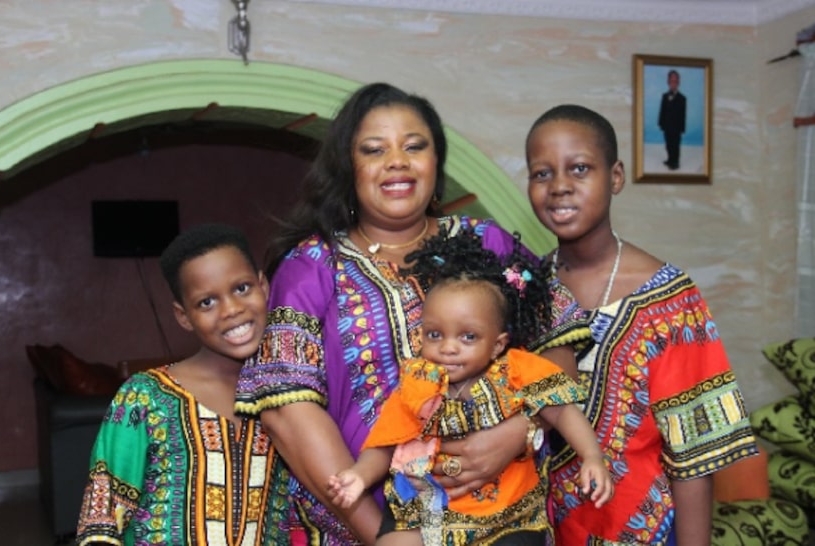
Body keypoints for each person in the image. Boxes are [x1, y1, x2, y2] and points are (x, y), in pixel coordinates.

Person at [234, 82, 590, 545]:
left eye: (414, 146)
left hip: (506, 516)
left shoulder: (490, 244)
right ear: (349, 168)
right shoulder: (310, 268)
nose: (397, 161)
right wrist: (382, 533)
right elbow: (289, 417)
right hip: (372, 526)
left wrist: (516, 434)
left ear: (436, 161)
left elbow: (555, 347)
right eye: (374, 149)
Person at [524, 104, 759, 546]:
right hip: (539, 529)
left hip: (643, 532)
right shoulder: (526, 291)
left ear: (615, 177)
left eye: (579, 169)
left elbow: (693, 453)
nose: (559, 187)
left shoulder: (670, 299)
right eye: (541, 173)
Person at [327, 227, 613, 546]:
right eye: (435, 335)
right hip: (425, 507)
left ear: (497, 344)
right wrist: (359, 476)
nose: (449, 348)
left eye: (468, 337)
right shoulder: (417, 384)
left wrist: (591, 456)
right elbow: (384, 443)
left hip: (505, 512)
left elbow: (563, 413)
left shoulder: (517, 370)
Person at [75, 223, 291, 546]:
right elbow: (101, 522)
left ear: (263, 286)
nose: (231, 310)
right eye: (206, 302)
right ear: (183, 316)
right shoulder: (144, 397)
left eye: (242, 288)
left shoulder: (291, 391)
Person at [658, 69, 686, 170]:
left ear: (678, 83)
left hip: (677, 128)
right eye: (671, 81)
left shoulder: (682, 98)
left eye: (675, 81)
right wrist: (661, 123)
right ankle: (670, 159)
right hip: (667, 126)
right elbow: (662, 111)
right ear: (668, 82)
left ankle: (675, 162)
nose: (673, 83)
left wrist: (682, 128)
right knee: (668, 144)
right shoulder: (665, 96)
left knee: (675, 145)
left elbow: (683, 115)